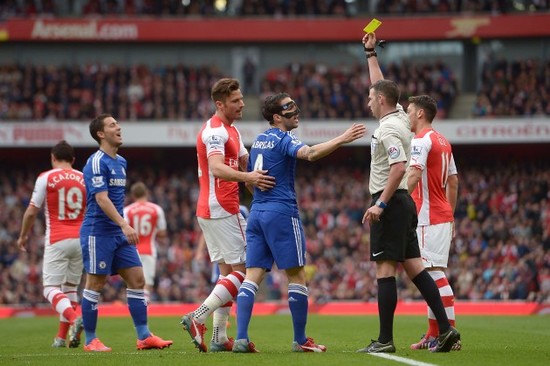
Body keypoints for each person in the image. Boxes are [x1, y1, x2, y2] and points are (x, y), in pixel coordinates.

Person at [232, 92, 366, 353]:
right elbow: (311, 154)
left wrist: (258, 193)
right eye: (289, 107)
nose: (296, 110)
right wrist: (343, 138)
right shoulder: (284, 139)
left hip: (257, 212)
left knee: (252, 277)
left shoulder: (259, 140)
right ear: (277, 117)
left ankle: (240, 339)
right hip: (281, 213)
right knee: (297, 275)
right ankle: (300, 340)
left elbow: (248, 179)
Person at [357, 31, 460, 353]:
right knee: (416, 267)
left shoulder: (388, 127)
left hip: (390, 200)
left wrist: (380, 205)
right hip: (405, 203)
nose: (369, 101)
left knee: (385, 270)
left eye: (372, 99)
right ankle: (445, 329)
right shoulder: (401, 118)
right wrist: (371, 55)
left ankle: (385, 340)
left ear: (382, 102)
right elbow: (383, 86)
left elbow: (399, 167)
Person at [181, 78, 275, 353]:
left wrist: (253, 180)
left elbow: (245, 163)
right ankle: (198, 317)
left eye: (242, 98)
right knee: (246, 270)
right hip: (222, 207)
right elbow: (217, 168)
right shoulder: (215, 133)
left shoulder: (231, 130)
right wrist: (249, 177)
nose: (242, 103)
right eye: (236, 101)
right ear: (220, 104)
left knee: (227, 275)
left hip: (213, 210)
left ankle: (219, 337)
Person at [78, 113, 173, 352]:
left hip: (118, 233)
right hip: (97, 231)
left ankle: (144, 336)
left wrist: (121, 226)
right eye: (112, 125)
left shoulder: (120, 161)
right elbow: (101, 199)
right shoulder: (96, 162)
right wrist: (124, 223)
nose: (118, 127)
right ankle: (90, 340)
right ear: (101, 134)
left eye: (117, 124)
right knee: (96, 283)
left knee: (137, 279)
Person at [17, 140, 86, 348]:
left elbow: (31, 210)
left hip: (58, 238)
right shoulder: (84, 178)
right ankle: (60, 339)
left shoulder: (46, 177)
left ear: (53, 158)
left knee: (50, 288)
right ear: (73, 160)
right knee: (70, 289)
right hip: (81, 239)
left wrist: (23, 235)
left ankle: (75, 319)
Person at [406, 95, 461, 351]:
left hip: (427, 217)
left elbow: (415, 173)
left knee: (433, 275)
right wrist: (449, 213)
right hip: (440, 216)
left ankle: (449, 335)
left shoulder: (421, 140)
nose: (407, 115)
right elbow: (453, 180)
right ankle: (434, 333)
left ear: (419, 114)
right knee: (431, 274)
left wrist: (395, 202)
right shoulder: (443, 141)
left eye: (409, 111)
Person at [123, 181, 167, 304]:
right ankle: (144, 308)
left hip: (132, 250)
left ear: (133, 195)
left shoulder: (127, 210)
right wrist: (153, 231)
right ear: (146, 193)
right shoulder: (156, 209)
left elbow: (124, 231)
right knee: (147, 283)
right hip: (149, 249)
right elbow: (163, 232)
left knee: (133, 283)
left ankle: (135, 308)